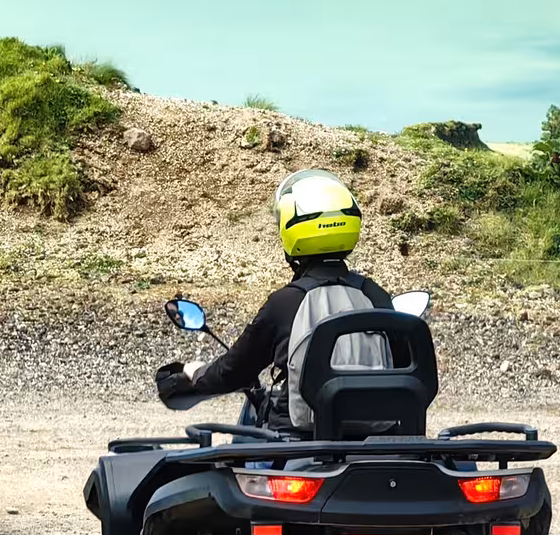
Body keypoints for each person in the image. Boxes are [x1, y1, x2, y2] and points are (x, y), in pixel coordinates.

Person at [156, 170, 391, 427]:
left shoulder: (285, 303)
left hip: (297, 439)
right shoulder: (376, 296)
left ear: (291, 230)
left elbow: (234, 371)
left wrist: (195, 373)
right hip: (376, 439)